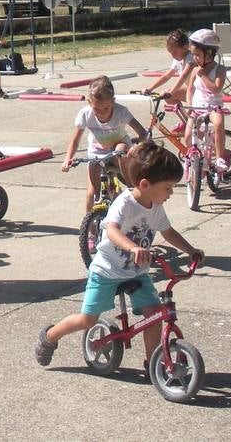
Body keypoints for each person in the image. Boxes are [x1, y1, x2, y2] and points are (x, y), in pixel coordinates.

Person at [36, 142, 204, 369]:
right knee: (87, 320)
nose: (171, 193)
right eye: (168, 187)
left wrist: (191, 250)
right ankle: (50, 336)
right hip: (106, 270)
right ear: (145, 184)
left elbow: (169, 232)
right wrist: (133, 248)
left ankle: (153, 363)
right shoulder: (124, 203)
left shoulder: (155, 206)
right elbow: (112, 230)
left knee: (154, 315)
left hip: (136, 273)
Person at [62, 76, 147, 210]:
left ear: (113, 101)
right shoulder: (85, 114)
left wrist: (140, 148)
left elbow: (142, 132)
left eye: (106, 108)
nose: (101, 113)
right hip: (97, 151)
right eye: (97, 109)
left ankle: (132, 190)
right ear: (90, 103)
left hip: (118, 149)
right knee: (91, 193)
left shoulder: (121, 112)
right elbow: (75, 141)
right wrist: (67, 159)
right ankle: (90, 228)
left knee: (121, 149)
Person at [167, 28, 229, 172]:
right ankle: (197, 160)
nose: (194, 58)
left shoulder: (219, 69)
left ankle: (220, 158)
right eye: (193, 55)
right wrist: (190, 106)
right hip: (197, 107)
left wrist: (204, 76)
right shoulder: (195, 70)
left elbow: (216, 89)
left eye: (197, 55)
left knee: (219, 123)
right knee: (188, 136)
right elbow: (190, 90)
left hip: (213, 107)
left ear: (208, 54)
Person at [142, 29, 193, 103]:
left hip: (201, 93)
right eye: (170, 53)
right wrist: (150, 89)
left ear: (185, 47)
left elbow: (183, 77)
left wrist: (170, 93)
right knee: (167, 96)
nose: (172, 56)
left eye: (175, 52)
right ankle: (186, 115)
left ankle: (192, 113)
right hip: (191, 89)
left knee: (169, 94)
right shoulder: (178, 59)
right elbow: (166, 76)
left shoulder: (190, 58)